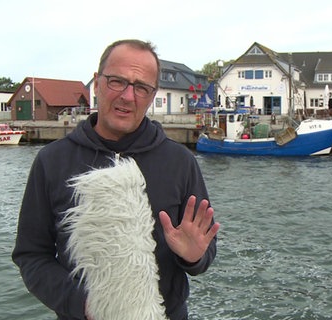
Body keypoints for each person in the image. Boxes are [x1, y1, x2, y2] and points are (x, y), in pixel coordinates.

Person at [12, 39, 220, 320]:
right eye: (117, 81)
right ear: (97, 83)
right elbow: (31, 255)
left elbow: (204, 252)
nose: (127, 96)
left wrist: (193, 256)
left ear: (152, 94)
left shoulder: (180, 162)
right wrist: (86, 305)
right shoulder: (51, 161)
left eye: (141, 87)